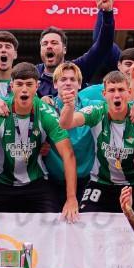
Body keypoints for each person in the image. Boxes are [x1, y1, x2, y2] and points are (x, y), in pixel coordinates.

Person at [0, 62, 78, 221]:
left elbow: (68, 154)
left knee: (56, 223)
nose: (24, 89)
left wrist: (71, 199)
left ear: (37, 86)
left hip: (35, 182)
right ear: (11, 86)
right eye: (19, 84)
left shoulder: (47, 113)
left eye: (29, 84)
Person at [60, 71, 134, 216]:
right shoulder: (97, 111)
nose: (116, 95)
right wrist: (69, 107)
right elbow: (66, 124)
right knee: (84, 222)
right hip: (102, 182)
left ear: (129, 92)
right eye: (112, 90)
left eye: (121, 90)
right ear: (104, 94)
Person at [34, 0, 120, 97]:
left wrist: (106, 12)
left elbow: (103, 46)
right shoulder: (32, 73)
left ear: (64, 49)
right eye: (45, 44)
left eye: (54, 43)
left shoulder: (78, 68)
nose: (49, 46)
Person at [42, 62, 98, 204]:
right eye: (63, 79)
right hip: (53, 181)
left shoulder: (92, 106)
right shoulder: (45, 107)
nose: (68, 83)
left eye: (72, 79)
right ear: (55, 84)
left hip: (87, 180)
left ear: (79, 84)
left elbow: (118, 96)